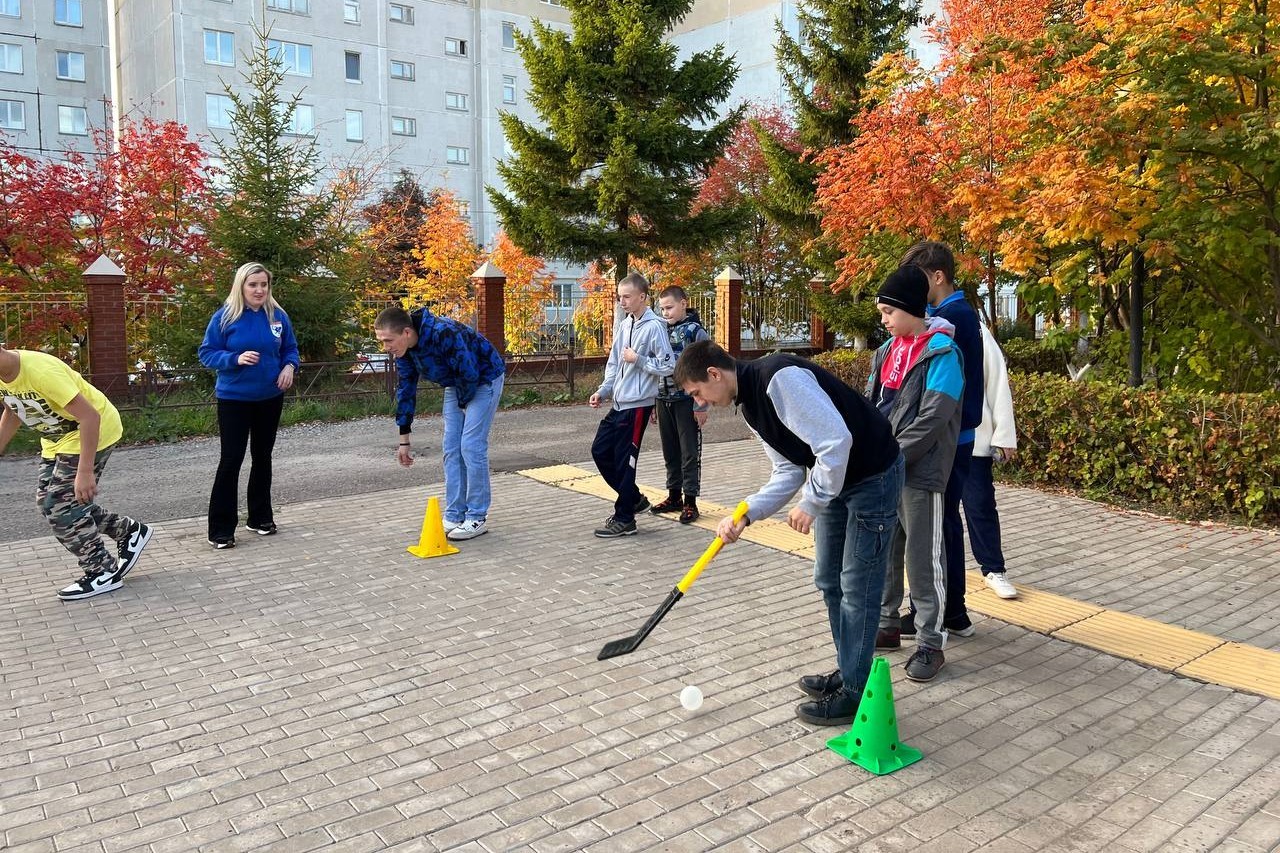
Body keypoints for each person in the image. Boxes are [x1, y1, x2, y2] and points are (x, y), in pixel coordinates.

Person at [675, 340, 903, 726]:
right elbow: (788, 470)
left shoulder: (780, 379)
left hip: (872, 476)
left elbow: (835, 443)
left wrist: (811, 503)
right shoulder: (750, 407)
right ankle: (850, 671)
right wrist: (746, 514)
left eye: (698, 393)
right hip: (835, 481)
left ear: (714, 374)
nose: (702, 402)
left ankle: (855, 689)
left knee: (857, 585)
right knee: (829, 580)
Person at [866, 266, 964, 682]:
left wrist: (892, 454)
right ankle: (888, 623)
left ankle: (930, 641)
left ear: (910, 308)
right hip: (886, 468)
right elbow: (874, 405)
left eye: (889, 311)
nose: (885, 320)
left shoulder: (943, 352)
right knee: (888, 548)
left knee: (923, 558)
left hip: (920, 471)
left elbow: (934, 417)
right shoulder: (887, 351)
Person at [0, 344, 151, 600]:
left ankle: (102, 572)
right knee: (48, 505)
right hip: (57, 439)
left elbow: (90, 417)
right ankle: (127, 530)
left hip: (93, 431)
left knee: (61, 508)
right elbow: (14, 410)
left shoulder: (40, 371)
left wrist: (85, 472)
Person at [899, 241, 984, 639]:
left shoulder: (955, 317)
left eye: (919, 282)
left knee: (937, 525)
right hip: (952, 437)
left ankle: (948, 612)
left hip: (949, 439)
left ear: (938, 277)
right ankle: (947, 611)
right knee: (940, 522)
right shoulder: (949, 313)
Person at [374, 305, 506, 541]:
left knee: (471, 445)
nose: (386, 347)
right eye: (382, 341)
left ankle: (476, 516)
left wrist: (464, 406)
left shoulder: (442, 332)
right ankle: (455, 514)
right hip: (457, 383)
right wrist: (404, 440)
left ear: (406, 332)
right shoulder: (405, 353)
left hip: (484, 377)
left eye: (388, 340)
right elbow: (406, 390)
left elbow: (469, 372)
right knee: (451, 448)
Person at [198, 262, 300, 549]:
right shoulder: (225, 318)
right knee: (231, 460)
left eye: (263, 285)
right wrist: (234, 359)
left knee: (263, 456)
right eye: (253, 284)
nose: (259, 290)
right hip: (234, 399)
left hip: (270, 397)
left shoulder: (277, 316)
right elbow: (207, 354)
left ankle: (260, 518)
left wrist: (289, 367)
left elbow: (290, 348)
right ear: (241, 286)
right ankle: (220, 529)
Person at [589, 272, 675, 538]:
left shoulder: (655, 326)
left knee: (625, 462)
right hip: (619, 403)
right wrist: (604, 390)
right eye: (619, 297)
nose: (622, 301)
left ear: (642, 297)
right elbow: (615, 362)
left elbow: (668, 365)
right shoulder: (625, 324)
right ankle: (634, 499)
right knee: (600, 451)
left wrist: (638, 359)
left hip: (638, 405)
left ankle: (625, 518)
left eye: (626, 297)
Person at [964, 323, 1019, 599]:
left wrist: (1004, 435)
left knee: (981, 504)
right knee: (934, 517)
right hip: (934, 442)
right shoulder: (913, 324)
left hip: (974, 438)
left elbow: (996, 379)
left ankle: (994, 569)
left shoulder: (975, 330)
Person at [651, 285, 710, 524]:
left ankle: (690, 502)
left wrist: (702, 403)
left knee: (689, 453)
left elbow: (706, 368)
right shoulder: (659, 329)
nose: (665, 313)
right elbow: (653, 364)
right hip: (663, 399)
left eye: (670, 307)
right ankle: (673, 495)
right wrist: (653, 403)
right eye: (662, 309)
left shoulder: (695, 331)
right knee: (670, 451)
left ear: (683, 303)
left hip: (687, 401)